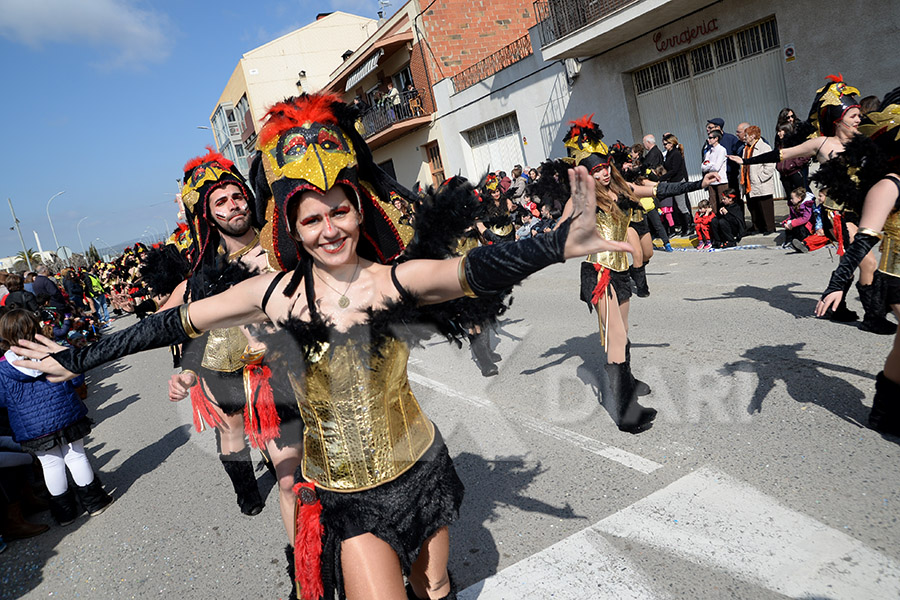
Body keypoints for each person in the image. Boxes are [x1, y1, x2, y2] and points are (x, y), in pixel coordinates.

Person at [11, 93, 632, 600]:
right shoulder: (273, 294)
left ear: (360, 212)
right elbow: (172, 325)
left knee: (437, 586)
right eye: (312, 219)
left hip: (421, 469)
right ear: (290, 225)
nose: (329, 228)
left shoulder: (391, 280)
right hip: (344, 494)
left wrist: (554, 246)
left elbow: (470, 272)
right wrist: (74, 358)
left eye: (339, 212)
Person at [159, 148, 303, 545]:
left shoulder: (282, 244)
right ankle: (246, 490)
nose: (233, 205)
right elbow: (181, 325)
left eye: (237, 195)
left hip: (282, 369)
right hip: (222, 370)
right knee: (233, 431)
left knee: (295, 471)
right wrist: (186, 372)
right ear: (208, 213)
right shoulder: (202, 271)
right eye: (220, 201)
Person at [558, 115, 719, 433]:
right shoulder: (584, 197)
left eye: (605, 166)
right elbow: (562, 225)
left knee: (623, 334)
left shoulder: (621, 188)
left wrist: (698, 183)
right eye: (596, 170)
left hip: (619, 273)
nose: (603, 173)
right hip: (599, 273)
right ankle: (625, 412)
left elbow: (658, 187)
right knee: (615, 338)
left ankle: (627, 383)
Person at [729, 75, 875, 324]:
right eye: (854, 116)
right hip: (838, 212)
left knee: (852, 261)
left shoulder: (863, 141)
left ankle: (839, 306)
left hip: (862, 208)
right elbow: (781, 154)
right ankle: (872, 315)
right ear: (839, 120)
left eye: (859, 115)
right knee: (866, 261)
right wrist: (746, 160)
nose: (859, 119)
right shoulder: (822, 143)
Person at [815, 87, 900, 430]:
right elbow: (863, 241)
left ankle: (885, 409)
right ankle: (886, 410)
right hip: (896, 276)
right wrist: (837, 285)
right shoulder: (889, 185)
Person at [0, 309, 113, 526]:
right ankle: (95, 502)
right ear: (35, 327)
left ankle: (65, 514)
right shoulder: (52, 352)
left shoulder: (3, 368)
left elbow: (3, 401)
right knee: (76, 455)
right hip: (66, 412)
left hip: (32, 425)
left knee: (50, 464)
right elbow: (77, 379)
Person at [742, 125, 777, 234]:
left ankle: (769, 228)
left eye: (746, 135)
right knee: (754, 206)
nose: (744, 137)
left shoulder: (764, 147)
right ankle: (757, 227)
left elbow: (770, 164)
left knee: (765, 206)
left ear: (753, 136)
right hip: (749, 183)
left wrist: (761, 177)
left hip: (761, 183)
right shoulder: (746, 148)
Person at [660, 133, 691, 236]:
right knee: (677, 206)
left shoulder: (676, 154)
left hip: (678, 181)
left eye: (666, 144)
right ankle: (683, 226)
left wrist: (663, 177)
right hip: (672, 182)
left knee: (681, 205)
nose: (664, 146)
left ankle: (688, 226)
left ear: (671, 143)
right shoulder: (669, 154)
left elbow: (674, 170)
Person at [702, 130, 729, 213]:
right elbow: (703, 167)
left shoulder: (721, 150)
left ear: (716, 138)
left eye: (710, 138)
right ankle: (715, 222)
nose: (708, 140)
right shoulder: (708, 152)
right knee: (713, 204)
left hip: (721, 181)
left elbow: (717, 167)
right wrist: (710, 165)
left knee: (723, 203)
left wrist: (709, 165)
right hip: (711, 181)